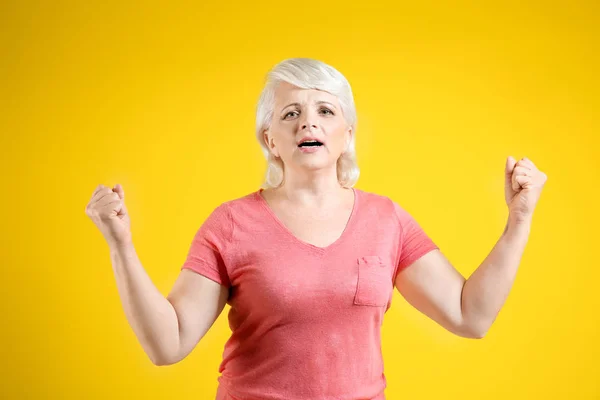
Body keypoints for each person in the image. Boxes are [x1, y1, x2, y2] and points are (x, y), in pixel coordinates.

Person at [85, 58, 547, 400]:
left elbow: (471, 316)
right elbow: (169, 344)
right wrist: (120, 245)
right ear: (270, 140)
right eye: (290, 113)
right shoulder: (230, 224)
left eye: (326, 110)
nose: (308, 120)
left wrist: (519, 219)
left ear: (348, 133)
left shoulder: (386, 220)